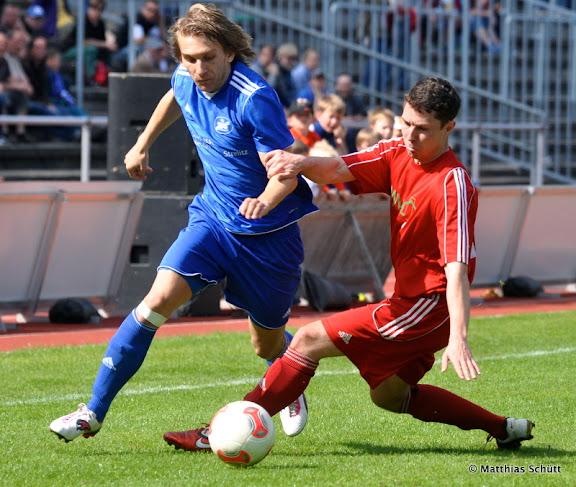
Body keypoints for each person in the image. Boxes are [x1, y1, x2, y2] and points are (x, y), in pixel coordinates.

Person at [166, 77, 535, 453]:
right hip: (414, 302)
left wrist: (459, 336)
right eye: (405, 122)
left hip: (428, 304)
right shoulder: (397, 152)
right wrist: (301, 161)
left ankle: (218, 432)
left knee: (307, 339)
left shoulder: (452, 183)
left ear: (449, 128)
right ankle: (504, 429)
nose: (410, 135)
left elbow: (456, 268)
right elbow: (338, 169)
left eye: (422, 129)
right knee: (390, 396)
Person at [49, 3, 317, 449]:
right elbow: (174, 94)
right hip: (211, 219)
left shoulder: (255, 98)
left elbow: (286, 170)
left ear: (230, 52)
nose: (197, 68)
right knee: (154, 303)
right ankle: (92, 411)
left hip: (267, 237)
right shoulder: (185, 76)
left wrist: (264, 201)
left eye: (207, 57)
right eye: (188, 58)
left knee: (266, 345)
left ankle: (290, 374)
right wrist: (141, 144)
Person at [60, 0, 117, 85]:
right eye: (95, 8)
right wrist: (105, 44)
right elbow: (84, 42)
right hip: (69, 51)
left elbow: (102, 40)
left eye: (100, 9)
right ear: (89, 8)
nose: (97, 12)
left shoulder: (100, 23)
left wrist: (109, 43)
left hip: (87, 51)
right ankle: (90, 77)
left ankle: (107, 75)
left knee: (108, 51)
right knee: (91, 49)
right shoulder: (83, 21)